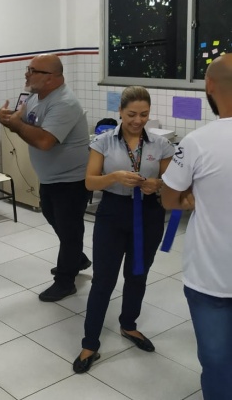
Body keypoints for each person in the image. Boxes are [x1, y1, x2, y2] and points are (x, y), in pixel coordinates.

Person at [73, 86, 174, 374]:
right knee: (103, 280)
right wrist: (115, 177)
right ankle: (90, 343)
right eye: (131, 114)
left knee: (137, 274)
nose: (137, 120)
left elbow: (172, 181)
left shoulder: (160, 144)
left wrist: (158, 184)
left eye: (144, 114)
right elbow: (90, 182)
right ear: (120, 112)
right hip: (112, 214)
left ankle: (129, 325)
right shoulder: (103, 142)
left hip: (148, 214)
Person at [161, 54, 232, 399]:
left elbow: (169, 199)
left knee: (217, 364)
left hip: (210, 278)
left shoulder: (197, 142)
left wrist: (191, 195)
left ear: (209, 86)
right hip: (211, 281)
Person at [0, 54, 91, 302]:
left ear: (50, 78)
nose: (26, 74)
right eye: (28, 69)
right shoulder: (35, 97)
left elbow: (44, 141)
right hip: (50, 178)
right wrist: (6, 118)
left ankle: (65, 282)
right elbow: (21, 120)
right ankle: (77, 258)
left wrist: (15, 125)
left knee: (69, 230)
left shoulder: (65, 103)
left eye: (32, 70)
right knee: (53, 217)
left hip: (71, 181)